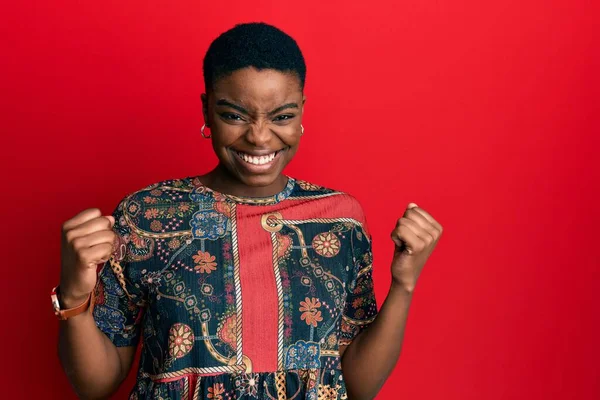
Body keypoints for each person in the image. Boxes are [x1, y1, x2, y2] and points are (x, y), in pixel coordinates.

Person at [55, 22, 443, 400]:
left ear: (302, 113)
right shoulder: (146, 216)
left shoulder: (339, 220)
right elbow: (96, 386)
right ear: (207, 111)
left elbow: (358, 387)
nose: (259, 136)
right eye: (235, 115)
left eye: (282, 116)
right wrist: (74, 292)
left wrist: (404, 284)